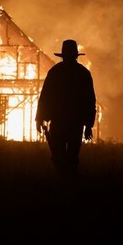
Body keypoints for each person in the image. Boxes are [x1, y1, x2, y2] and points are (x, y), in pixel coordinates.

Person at [36, 39, 97, 178]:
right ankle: (69, 182)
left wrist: (39, 118)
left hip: (61, 122)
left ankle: (64, 181)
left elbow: (45, 97)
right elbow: (90, 100)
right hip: (74, 123)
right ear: (76, 55)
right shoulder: (83, 73)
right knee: (70, 156)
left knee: (60, 155)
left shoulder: (55, 72)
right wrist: (88, 125)